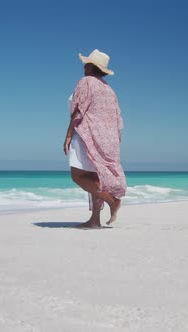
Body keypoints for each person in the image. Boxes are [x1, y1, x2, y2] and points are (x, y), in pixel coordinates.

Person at [63, 49, 126, 228]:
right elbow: (118, 118)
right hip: (107, 138)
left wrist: (68, 135)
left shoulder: (86, 82)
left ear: (91, 67)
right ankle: (94, 220)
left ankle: (112, 201)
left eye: (87, 63)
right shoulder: (109, 90)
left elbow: (78, 110)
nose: (84, 66)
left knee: (78, 176)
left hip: (86, 134)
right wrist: (113, 139)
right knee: (94, 178)